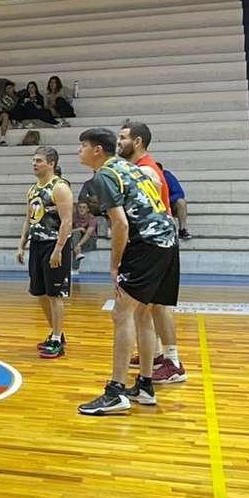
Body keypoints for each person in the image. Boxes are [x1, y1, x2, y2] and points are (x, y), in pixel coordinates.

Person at [76, 128, 180, 416]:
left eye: (82, 146)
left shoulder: (104, 175)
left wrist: (114, 265)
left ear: (97, 150)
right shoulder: (129, 167)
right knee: (141, 313)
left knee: (121, 314)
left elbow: (120, 224)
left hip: (145, 243)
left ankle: (116, 392)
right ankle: (145, 386)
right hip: (167, 242)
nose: (79, 152)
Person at [118, 121, 185, 383]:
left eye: (123, 137)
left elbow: (151, 205)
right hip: (158, 242)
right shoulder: (142, 167)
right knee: (151, 305)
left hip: (156, 243)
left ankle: (172, 362)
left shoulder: (146, 169)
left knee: (153, 305)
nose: (119, 142)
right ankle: (157, 355)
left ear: (138, 142)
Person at [15, 147, 73, 359]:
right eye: (33, 160)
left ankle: (57, 340)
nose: (34, 164)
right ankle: (56, 333)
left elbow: (67, 221)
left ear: (51, 163)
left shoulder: (60, 187)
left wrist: (59, 248)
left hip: (53, 244)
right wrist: (22, 244)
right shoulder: (32, 190)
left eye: (39, 160)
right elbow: (28, 219)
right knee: (39, 292)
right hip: (37, 245)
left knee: (55, 294)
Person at [159, 163, 191, 240]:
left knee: (181, 202)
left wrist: (167, 200)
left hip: (167, 203)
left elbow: (179, 193)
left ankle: (182, 229)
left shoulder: (167, 176)